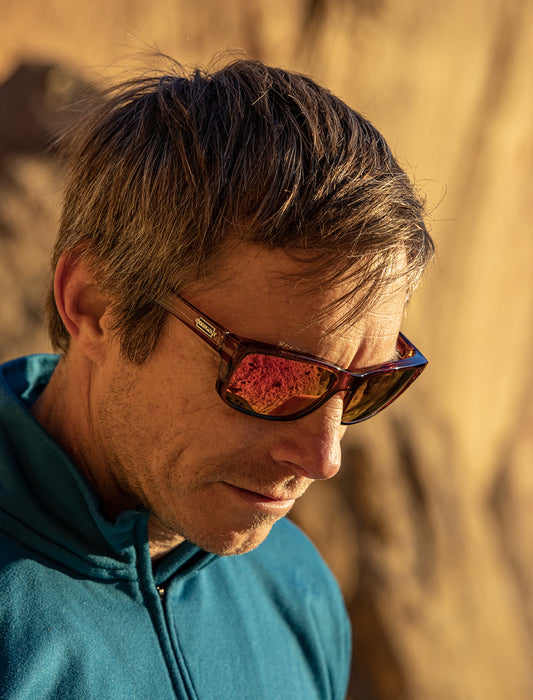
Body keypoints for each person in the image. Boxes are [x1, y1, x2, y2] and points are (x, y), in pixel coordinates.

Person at [0, 55, 433, 699]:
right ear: (94, 304)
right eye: (273, 376)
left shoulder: (298, 593)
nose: (325, 458)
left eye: (367, 384)